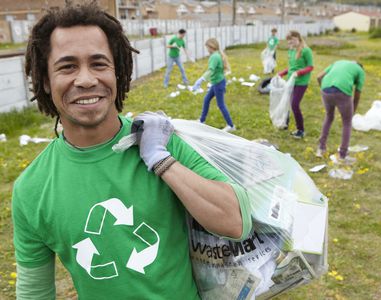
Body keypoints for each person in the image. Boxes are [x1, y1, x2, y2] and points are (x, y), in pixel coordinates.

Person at [13, 3, 252, 299]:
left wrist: (161, 160)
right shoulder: (31, 189)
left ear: (118, 72)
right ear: (46, 81)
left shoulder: (162, 143)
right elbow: (34, 291)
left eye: (99, 64)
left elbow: (235, 221)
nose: (86, 79)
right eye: (67, 66)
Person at [316, 60, 365, 163]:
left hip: (325, 89)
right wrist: (352, 111)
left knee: (329, 117)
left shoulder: (338, 62)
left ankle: (321, 149)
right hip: (342, 91)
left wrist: (324, 91)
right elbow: (357, 94)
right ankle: (342, 155)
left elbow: (319, 77)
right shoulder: (360, 71)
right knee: (347, 123)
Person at [192, 38, 235, 132]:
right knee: (206, 99)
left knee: (221, 105)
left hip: (218, 84)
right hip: (217, 82)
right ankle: (202, 120)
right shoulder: (216, 55)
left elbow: (210, 70)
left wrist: (201, 79)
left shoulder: (214, 57)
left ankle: (231, 125)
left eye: (207, 47)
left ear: (211, 47)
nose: (207, 49)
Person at [278, 30, 313, 138]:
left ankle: (300, 130)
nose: (291, 43)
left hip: (301, 82)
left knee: (295, 105)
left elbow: (310, 67)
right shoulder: (291, 51)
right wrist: (282, 73)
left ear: (298, 38)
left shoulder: (306, 51)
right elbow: (292, 67)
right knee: (287, 103)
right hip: (291, 81)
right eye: (289, 41)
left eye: (292, 40)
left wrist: (299, 73)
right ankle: (285, 123)